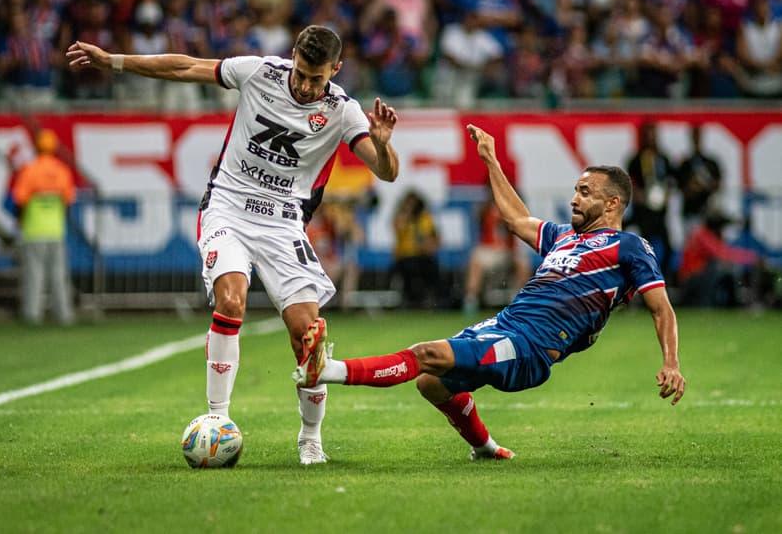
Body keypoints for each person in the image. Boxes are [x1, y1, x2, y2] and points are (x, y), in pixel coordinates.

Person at [66, 25, 400, 465]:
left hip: (284, 225)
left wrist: (382, 145)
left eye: (316, 79)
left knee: (308, 335)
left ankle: (310, 437)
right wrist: (115, 61)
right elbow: (185, 66)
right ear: (293, 56)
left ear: (335, 71)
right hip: (229, 207)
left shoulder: (343, 110)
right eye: (301, 73)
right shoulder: (259, 72)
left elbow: (387, 173)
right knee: (231, 299)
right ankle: (216, 421)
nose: (304, 85)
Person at [293, 124, 685, 461]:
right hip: (505, 325)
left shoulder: (629, 247)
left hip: (530, 347)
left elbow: (661, 309)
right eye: (575, 190)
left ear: (613, 202)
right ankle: (484, 447)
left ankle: (327, 370)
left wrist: (671, 363)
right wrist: (490, 160)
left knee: (426, 353)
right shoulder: (563, 237)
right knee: (431, 382)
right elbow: (516, 219)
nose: (574, 199)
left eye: (585, 192)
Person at [12, 129, 77, 326]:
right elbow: (68, 201)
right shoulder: (62, 171)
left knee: (34, 276)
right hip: (56, 231)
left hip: (33, 231)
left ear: (36, 147)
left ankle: (32, 315)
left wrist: (20, 221)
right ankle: (64, 315)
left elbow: (20, 200)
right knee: (58, 276)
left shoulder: (30, 170)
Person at [626, 121, 675, 279]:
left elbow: (670, 180)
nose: (651, 138)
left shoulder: (663, 158)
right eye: (648, 134)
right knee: (644, 247)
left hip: (659, 213)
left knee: (667, 248)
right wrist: (639, 195)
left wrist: (667, 194)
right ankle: (644, 279)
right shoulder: (636, 159)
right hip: (643, 213)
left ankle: (663, 279)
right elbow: (630, 182)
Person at [390, 190, 440, 308]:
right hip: (405, 257)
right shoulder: (401, 218)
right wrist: (407, 214)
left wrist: (427, 246)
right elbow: (398, 228)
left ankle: (431, 299)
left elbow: (434, 239)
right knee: (408, 267)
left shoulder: (426, 219)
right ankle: (410, 300)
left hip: (422, 256)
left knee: (431, 266)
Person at [676, 126, 722, 233]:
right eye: (694, 137)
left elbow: (718, 184)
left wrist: (704, 185)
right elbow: (681, 189)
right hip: (691, 212)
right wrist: (692, 187)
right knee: (692, 244)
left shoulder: (710, 163)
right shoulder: (685, 164)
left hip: (708, 212)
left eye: (698, 137)